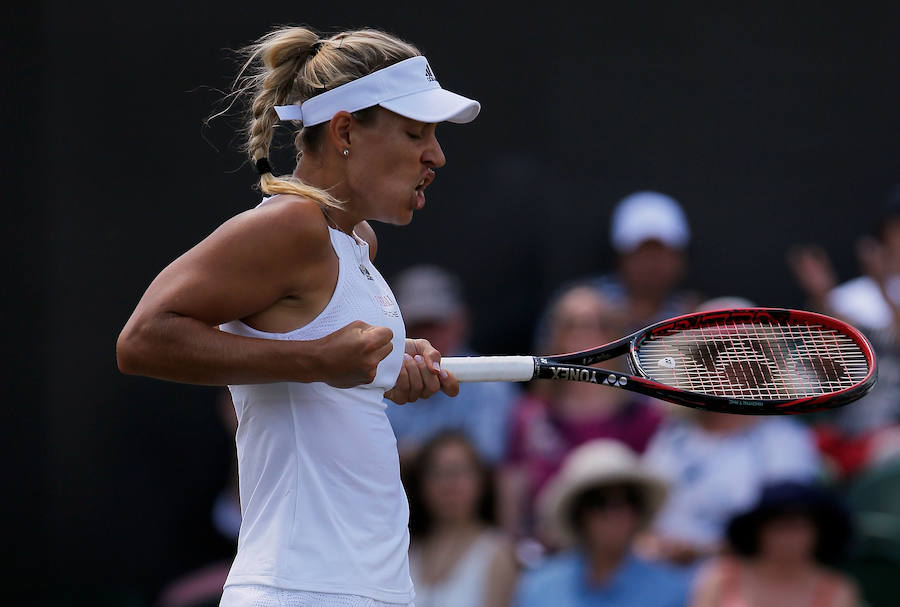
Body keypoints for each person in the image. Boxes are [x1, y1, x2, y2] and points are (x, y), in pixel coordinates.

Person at [116, 25, 481, 607]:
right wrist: (317, 359)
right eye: (415, 132)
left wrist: (390, 361)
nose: (435, 154)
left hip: (368, 589)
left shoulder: (356, 241)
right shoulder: (292, 226)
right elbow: (141, 341)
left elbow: (325, 364)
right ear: (344, 131)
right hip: (303, 589)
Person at [500, 283, 665, 540]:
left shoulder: (646, 416)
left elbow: (654, 503)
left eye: (596, 325)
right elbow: (512, 495)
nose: (583, 336)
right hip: (545, 558)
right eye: (571, 325)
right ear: (555, 337)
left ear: (613, 337)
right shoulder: (529, 415)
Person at [787, 183, 900, 478]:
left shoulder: (877, 292)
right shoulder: (850, 297)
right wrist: (823, 298)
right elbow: (827, 361)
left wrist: (883, 289)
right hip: (849, 430)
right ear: (884, 235)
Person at [513, 439, 692, 607]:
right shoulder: (539, 589)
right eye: (600, 502)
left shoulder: (671, 592)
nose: (616, 514)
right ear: (579, 514)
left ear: (639, 511)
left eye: (629, 500)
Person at [386, 264, 520, 464]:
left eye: (436, 325)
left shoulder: (492, 384)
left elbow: (485, 460)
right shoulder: (381, 380)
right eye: (417, 325)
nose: (426, 337)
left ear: (460, 322)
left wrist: (414, 454)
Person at [689, 480, 860, 607]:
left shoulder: (837, 590)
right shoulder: (719, 577)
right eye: (779, 528)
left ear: (819, 534)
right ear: (758, 531)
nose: (788, 538)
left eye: (798, 528)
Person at [404, 430, 519, 607]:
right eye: (438, 473)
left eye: (460, 472)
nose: (449, 484)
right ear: (421, 483)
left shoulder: (497, 553)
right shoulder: (406, 548)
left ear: (482, 481)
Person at [584, 190, 702, 333]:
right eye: (642, 252)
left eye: (660, 253)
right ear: (621, 257)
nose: (652, 264)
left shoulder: (694, 314)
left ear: (680, 259)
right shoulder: (584, 310)